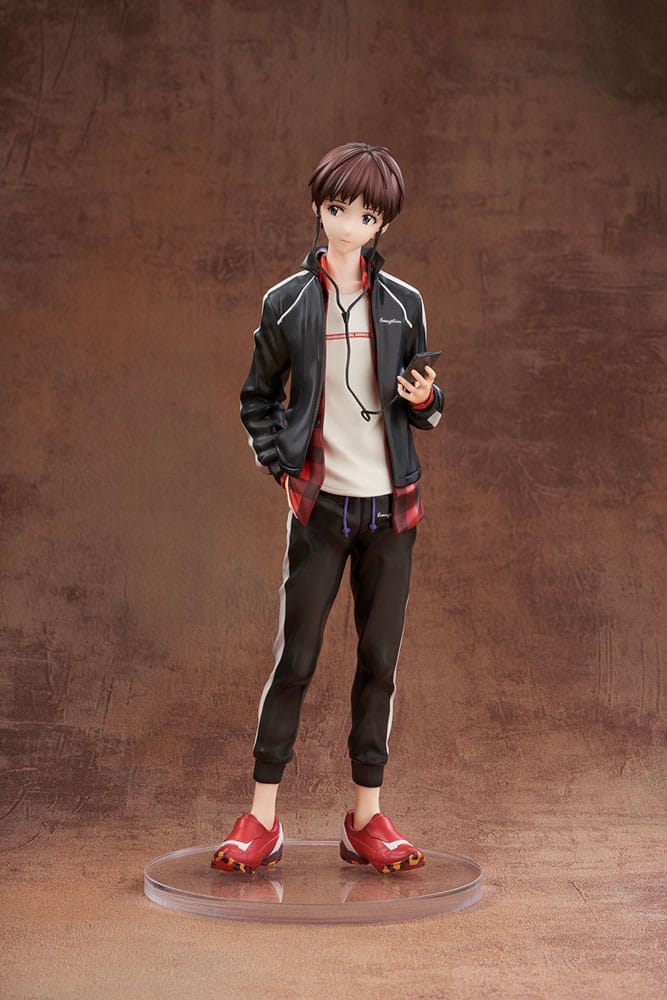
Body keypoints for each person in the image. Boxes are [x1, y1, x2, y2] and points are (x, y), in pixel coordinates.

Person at [211, 142, 444, 875]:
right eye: (338, 208)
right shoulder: (285, 301)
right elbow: (257, 396)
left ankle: (366, 819)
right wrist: (280, 463)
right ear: (318, 206)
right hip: (320, 509)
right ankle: (261, 818)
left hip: (391, 511)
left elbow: (429, 401)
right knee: (296, 658)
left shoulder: (404, 303)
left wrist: (425, 397)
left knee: (379, 662)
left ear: (382, 225)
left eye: (366, 215)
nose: (349, 225)